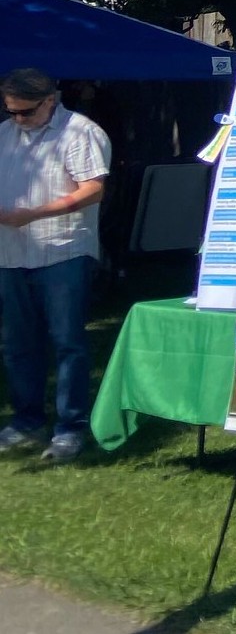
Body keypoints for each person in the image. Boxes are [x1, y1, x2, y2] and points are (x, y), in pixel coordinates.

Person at [0, 68, 111, 463]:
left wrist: (35, 214)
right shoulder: (4, 136)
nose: (17, 119)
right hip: (11, 254)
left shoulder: (81, 133)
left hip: (62, 251)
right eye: (11, 111)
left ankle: (70, 428)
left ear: (50, 100)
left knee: (68, 344)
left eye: (25, 111)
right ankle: (26, 420)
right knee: (17, 344)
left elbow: (93, 189)